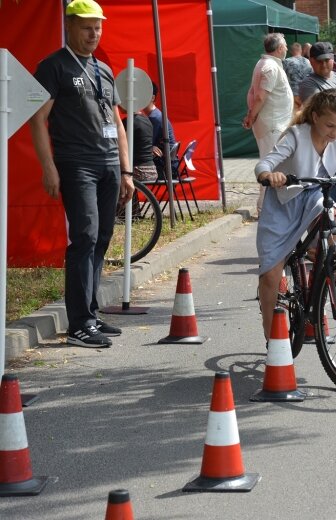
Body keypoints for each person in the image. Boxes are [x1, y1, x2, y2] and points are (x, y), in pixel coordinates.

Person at [29, 0, 133, 347]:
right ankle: (77, 325)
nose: (94, 34)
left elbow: (116, 122)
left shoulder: (103, 68)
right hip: (77, 165)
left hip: (108, 165)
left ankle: (90, 313)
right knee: (84, 237)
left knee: (102, 238)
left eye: (98, 27)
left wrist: (127, 170)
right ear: (69, 26)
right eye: (87, 27)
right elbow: (38, 120)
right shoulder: (53, 67)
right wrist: (49, 167)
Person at [253, 89, 336, 339]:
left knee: (331, 210)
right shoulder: (296, 135)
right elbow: (265, 163)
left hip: (312, 196)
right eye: (330, 125)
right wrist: (269, 175)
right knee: (271, 275)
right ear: (314, 117)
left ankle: (330, 261)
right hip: (283, 203)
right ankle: (271, 337)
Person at [243, 33, 294, 218]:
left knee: (272, 164)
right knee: (271, 166)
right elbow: (260, 96)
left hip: (272, 124)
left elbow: (255, 94)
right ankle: (264, 208)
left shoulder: (264, 64)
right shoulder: (270, 67)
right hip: (272, 125)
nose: (287, 48)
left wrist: (251, 115)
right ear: (279, 48)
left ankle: (266, 206)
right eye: (285, 45)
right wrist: (251, 115)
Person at [143, 82, 179, 180]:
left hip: (165, 169)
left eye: (143, 94)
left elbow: (145, 147)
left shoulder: (154, 118)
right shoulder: (156, 115)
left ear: (152, 98)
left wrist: (150, 147)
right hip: (170, 165)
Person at [296, 41, 336, 106]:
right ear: (311, 61)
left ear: (333, 59)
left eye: (327, 60)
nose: (323, 64)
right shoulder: (308, 84)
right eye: (319, 61)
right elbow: (321, 111)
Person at [122, 110, 157, 182]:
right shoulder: (148, 121)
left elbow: (121, 144)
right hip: (152, 169)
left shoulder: (128, 122)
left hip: (138, 170)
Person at [283, 42, 313, 107]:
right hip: (306, 95)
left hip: (292, 96)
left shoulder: (286, 62)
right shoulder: (309, 62)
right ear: (301, 50)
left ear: (291, 51)